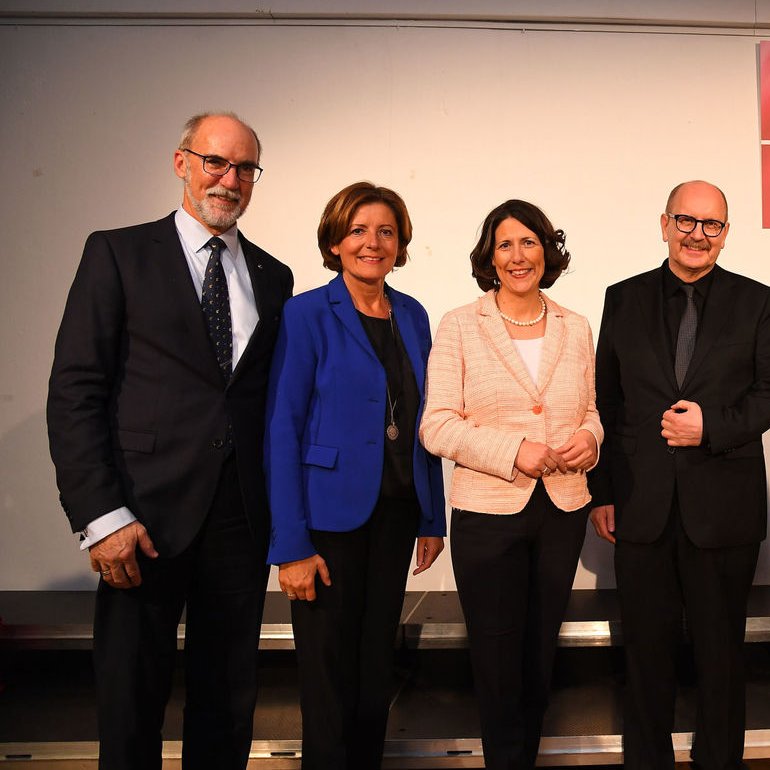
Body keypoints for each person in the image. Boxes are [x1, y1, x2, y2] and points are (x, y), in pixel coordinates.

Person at [46, 112, 293, 769]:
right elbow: (75, 391)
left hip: (239, 521)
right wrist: (101, 518)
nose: (229, 179)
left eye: (245, 168)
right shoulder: (117, 253)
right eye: (216, 161)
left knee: (227, 703)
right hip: (141, 519)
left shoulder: (274, 276)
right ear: (182, 162)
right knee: (130, 705)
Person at [589, 180, 770, 770]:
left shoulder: (758, 301)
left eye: (712, 225)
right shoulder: (621, 298)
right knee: (645, 657)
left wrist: (714, 426)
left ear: (726, 234)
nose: (697, 234)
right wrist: (602, 491)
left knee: (721, 658)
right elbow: (606, 399)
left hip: (722, 506)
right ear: (663, 224)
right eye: (686, 221)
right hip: (639, 503)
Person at [264, 182, 446, 768]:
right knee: (328, 679)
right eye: (359, 230)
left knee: (375, 675)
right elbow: (282, 429)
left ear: (401, 242)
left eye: (386, 231)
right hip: (327, 524)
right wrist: (289, 544)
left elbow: (427, 420)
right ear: (335, 241)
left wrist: (429, 514)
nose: (374, 243)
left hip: (394, 517)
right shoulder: (307, 312)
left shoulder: (413, 314)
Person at [420, 199, 602, 770]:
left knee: (538, 654)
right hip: (486, 514)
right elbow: (436, 424)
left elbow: (593, 410)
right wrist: (512, 451)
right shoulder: (459, 324)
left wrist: (592, 439)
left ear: (548, 251)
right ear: (489, 256)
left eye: (530, 242)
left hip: (562, 508)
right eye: (505, 244)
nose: (518, 255)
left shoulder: (576, 326)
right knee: (497, 662)